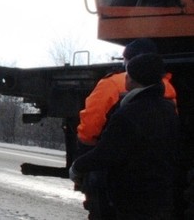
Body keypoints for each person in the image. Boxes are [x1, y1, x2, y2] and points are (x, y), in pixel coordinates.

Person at [70, 53, 180, 220]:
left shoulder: (128, 114)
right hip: (161, 195)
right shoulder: (169, 109)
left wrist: (78, 166)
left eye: (128, 74)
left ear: (133, 80)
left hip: (133, 198)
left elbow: (106, 153)